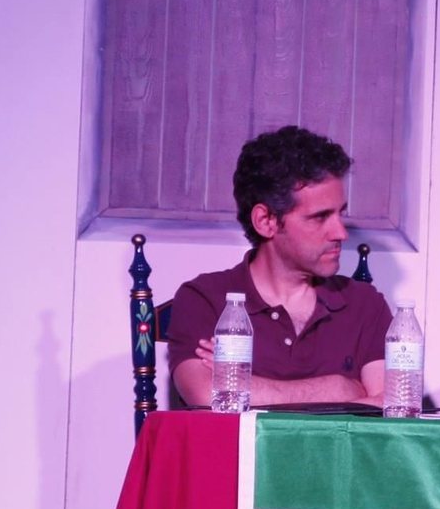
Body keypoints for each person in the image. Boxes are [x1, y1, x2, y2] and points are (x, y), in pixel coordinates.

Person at [168, 126, 392, 407]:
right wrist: (343, 390)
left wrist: (244, 387)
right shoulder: (205, 298)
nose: (341, 233)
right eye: (320, 217)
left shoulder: (364, 304)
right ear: (266, 221)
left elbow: (390, 406)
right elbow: (205, 395)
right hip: (240, 453)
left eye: (340, 213)